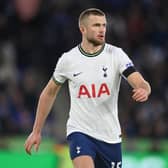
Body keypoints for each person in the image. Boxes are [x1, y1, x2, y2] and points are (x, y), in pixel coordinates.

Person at [24, 8, 151, 168]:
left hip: (110, 136)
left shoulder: (116, 55)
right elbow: (49, 93)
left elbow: (139, 81)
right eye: (96, 25)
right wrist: (36, 131)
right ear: (82, 29)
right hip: (80, 131)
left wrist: (144, 89)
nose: (102, 29)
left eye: (104, 25)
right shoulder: (68, 59)